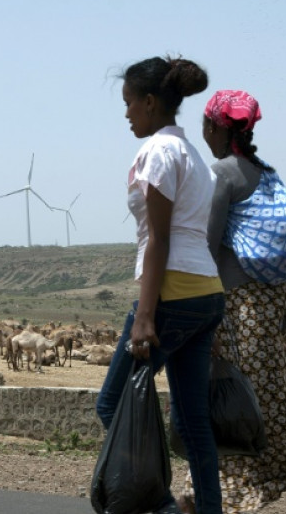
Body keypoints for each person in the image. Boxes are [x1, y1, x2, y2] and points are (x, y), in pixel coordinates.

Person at [180, 89, 286, 514]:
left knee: (261, 403)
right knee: (248, 399)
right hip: (282, 300)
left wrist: (205, 319)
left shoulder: (222, 173)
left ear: (214, 126)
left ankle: (210, 498)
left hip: (246, 306)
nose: (203, 132)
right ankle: (196, 498)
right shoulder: (265, 172)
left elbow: (207, 248)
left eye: (204, 125)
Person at [95, 56, 225, 514]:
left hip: (172, 295)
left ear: (150, 102)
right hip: (206, 293)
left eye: (129, 102)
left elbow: (159, 238)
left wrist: (145, 317)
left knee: (113, 405)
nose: (126, 112)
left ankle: (166, 509)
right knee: (193, 424)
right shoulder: (194, 155)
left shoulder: (158, 152)